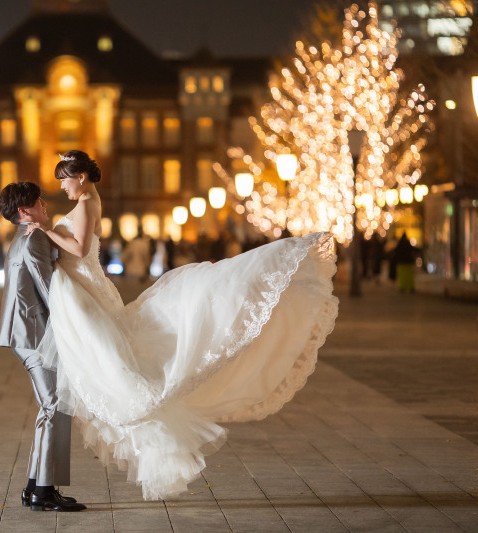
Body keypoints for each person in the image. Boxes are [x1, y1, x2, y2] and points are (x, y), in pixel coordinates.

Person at [25, 150, 339, 501]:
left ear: (80, 177)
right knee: (112, 361)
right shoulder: (89, 200)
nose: (61, 186)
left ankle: (47, 479)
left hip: (86, 292)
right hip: (87, 291)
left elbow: (79, 249)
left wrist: (45, 232)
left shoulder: (85, 205)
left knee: (114, 365)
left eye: (64, 179)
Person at [0, 182, 85, 513]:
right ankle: (44, 492)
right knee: (55, 405)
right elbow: (50, 290)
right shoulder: (34, 238)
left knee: (49, 406)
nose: (45, 206)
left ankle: (35, 486)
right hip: (35, 334)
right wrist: (78, 324)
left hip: (25, 332)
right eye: (39, 202)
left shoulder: (21, 238)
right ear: (24, 210)